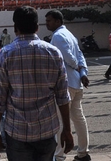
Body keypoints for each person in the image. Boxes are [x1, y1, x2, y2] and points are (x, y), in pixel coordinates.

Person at [0, 6, 73, 160]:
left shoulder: (5, 54)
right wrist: (67, 130)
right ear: (37, 27)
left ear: (15, 28)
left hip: (17, 132)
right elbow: (63, 97)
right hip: (47, 132)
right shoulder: (53, 53)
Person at [45, 10, 91, 161]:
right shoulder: (70, 34)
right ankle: (83, 153)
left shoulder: (58, 36)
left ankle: (59, 156)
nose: (47, 23)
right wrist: (83, 72)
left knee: (59, 121)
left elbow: (70, 58)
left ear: (58, 21)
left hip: (65, 83)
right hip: (76, 82)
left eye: (49, 21)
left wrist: (77, 67)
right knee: (78, 118)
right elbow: (80, 55)